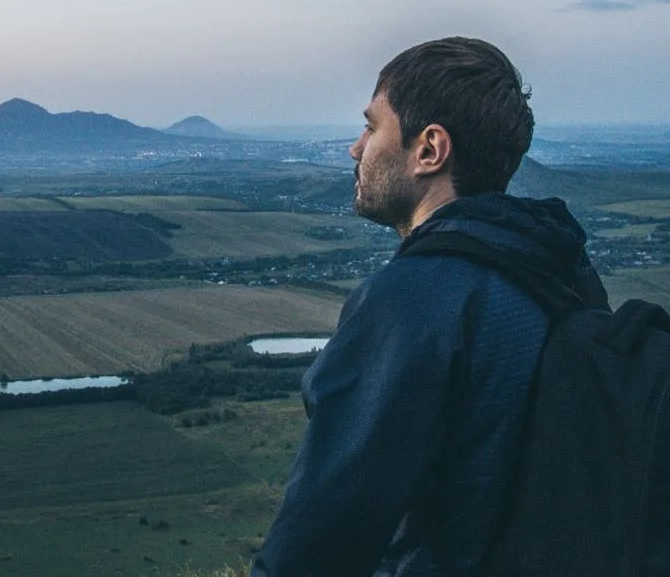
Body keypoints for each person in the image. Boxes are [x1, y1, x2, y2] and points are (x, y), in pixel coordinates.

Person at [252, 36, 606, 576]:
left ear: (429, 150)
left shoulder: (413, 299)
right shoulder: (559, 270)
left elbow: (321, 535)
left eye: (372, 127)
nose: (356, 148)